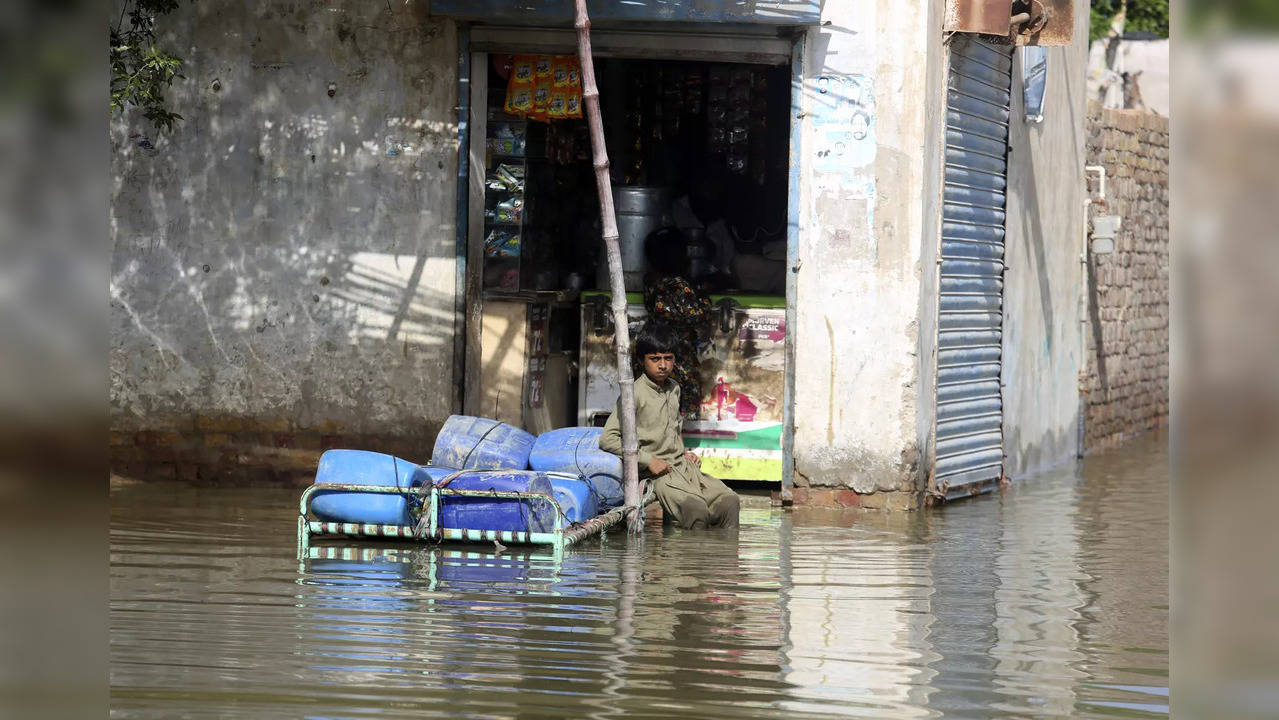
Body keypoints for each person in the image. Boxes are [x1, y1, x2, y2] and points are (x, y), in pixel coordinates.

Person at [601, 322, 740, 529]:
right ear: (641, 360)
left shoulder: (674, 388)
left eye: (668, 358)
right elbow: (607, 439)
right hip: (658, 475)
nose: (663, 365)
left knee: (730, 502)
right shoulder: (634, 394)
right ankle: (688, 561)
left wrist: (684, 452)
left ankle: (721, 560)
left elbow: (674, 427)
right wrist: (649, 460)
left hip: (683, 468)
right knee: (696, 511)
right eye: (655, 359)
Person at [641, 227, 711, 419]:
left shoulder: (651, 281)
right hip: (677, 353)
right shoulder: (678, 285)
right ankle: (679, 442)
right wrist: (704, 296)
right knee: (682, 399)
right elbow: (696, 314)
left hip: (658, 344)